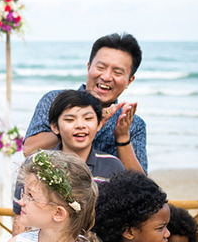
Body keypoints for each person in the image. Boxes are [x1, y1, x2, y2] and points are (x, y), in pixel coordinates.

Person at [22, 32, 147, 173]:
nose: (106, 77)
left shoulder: (133, 125)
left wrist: (122, 137)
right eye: (100, 68)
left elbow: (141, 187)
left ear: (129, 80)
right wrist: (72, 127)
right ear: (88, 67)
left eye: (117, 72)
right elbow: (29, 150)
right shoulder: (54, 100)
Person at [12, 90, 125, 234]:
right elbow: (20, 220)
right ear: (54, 127)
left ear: (99, 124)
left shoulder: (113, 166)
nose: (80, 125)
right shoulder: (35, 163)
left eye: (88, 118)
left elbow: (120, 222)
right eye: (70, 119)